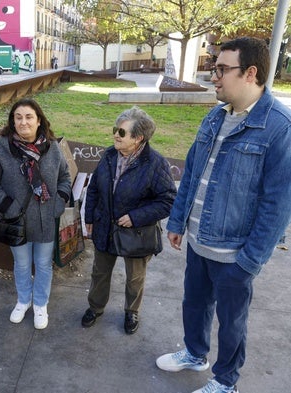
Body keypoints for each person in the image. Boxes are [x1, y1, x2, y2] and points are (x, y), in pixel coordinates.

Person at [156, 37, 291, 393]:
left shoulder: (279, 128)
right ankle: (195, 353)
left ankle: (226, 381)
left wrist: (250, 261)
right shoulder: (215, 117)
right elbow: (193, 172)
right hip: (199, 241)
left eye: (221, 70)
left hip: (235, 253)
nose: (213, 76)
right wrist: (177, 221)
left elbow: (278, 205)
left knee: (231, 323)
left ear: (250, 73)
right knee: (194, 304)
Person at [81, 106, 176, 334]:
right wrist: (90, 216)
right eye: (116, 130)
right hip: (105, 226)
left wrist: (135, 217)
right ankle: (95, 307)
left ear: (138, 138)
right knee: (100, 271)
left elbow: (168, 200)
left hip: (137, 233)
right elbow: (94, 188)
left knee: (135, 277)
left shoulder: (155, 164)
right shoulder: (109, 156)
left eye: (122, 132)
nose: (115, 135)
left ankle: (131, 311)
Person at [0, 97, 71, 330]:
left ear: (39, 120)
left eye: (29, 117)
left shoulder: (52, 149)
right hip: (16, 219)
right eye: (18, 117)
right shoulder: (3, 147)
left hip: (45, 219)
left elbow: (64, 177)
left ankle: (40, 304)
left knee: (43, 264)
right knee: (21, 264)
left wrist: (59, 200)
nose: (23, 122)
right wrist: (6, 204)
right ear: (13, 121)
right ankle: (23, 300)